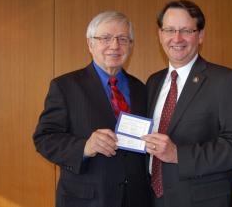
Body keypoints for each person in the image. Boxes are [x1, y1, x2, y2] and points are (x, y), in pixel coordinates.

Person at [142, 0, 232, 207]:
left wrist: (178, 155)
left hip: (203, 200)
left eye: (186, 30)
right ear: (160, 35)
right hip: (154, 197)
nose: (177, 38)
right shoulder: (153, 81)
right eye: (169, 30)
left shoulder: (226, 81)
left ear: (200, 35)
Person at [33, 11, 151, 207]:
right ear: (90, 44)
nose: (115, 46)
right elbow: (44, 138)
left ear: (131, 45)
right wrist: (85, 147)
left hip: (136, 199)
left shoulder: (141, 88)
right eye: (105, 38)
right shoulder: (65, 86)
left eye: (123, 39)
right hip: (86, 199)